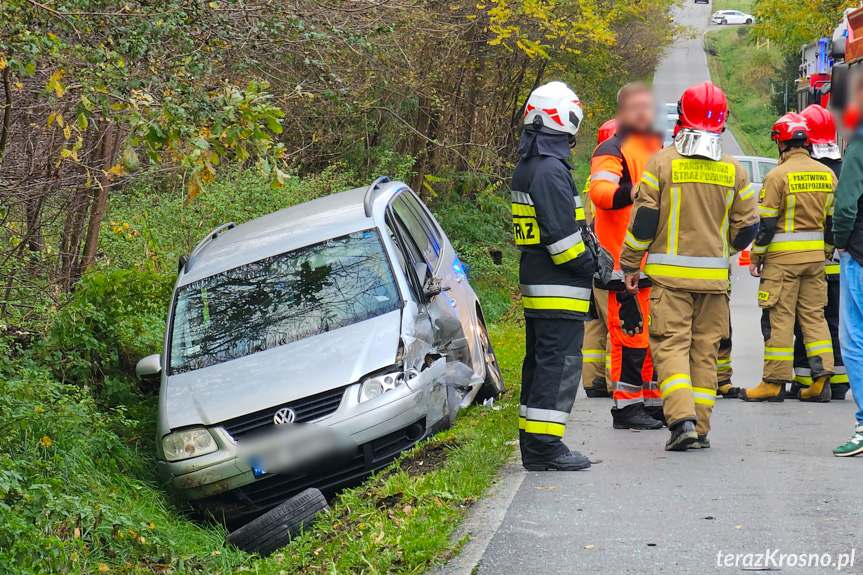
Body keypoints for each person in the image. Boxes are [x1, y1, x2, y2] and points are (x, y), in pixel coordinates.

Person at [619, 81, 758, 450]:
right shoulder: (734, 171)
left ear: (682, 116)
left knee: (671, 348)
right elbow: (749, 228)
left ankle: (681, 421)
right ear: (722, 121)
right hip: (714, 285)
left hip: (670, 283)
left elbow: (644, 222)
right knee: (704, 353)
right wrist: (723, 246)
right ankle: (702, 428)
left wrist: (630, 264)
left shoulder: (662, 162)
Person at [511, 81, 595, 471]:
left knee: (541, 363)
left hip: (538, 284)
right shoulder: (549, 171)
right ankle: (546, 447)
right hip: (559, 289)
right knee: (557, 365)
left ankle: (534, 442)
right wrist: (597, 265)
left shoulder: (530, 165)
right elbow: (566, 245)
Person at [741, 113, 837, 402]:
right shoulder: (827, 174)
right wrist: (825, 251)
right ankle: (821, 381)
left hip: (782, 263)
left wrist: (757, 256)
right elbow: (831, 223)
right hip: (815, 261)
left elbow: (767, 225)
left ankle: (773, 383)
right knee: (814, 318)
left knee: (778, 319)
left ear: (781, 143)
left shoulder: (777, 176)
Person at [589, 83, 664, 428]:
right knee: (629, 336)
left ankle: (649, 402)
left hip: (651, 261)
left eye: (647, 106)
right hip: (621, 262)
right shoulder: (612, 148)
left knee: (647, 337)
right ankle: (626, 408)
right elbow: (601, 192)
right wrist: (635, 190)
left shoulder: (656, 146)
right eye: (635, 107)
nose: (642, 113)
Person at [788, 104, 848, 401]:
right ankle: (838, 381)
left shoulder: (807, 170)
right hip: (842, 262)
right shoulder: (844, 166)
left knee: (805, 320)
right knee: (835, 322)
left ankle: (804, 379)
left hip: (810, 262)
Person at [832, 88, 863, 455]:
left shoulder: (858, 143)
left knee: (854, 339)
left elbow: (846, 202)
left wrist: (840, 241)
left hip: (858, 253)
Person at [582, 119, 618, 399]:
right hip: (610, 260)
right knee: (613, 321)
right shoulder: (616, 179)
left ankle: (593, 379)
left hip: (590, 259)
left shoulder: (592, 178)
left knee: (595, 322)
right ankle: (609, 380)